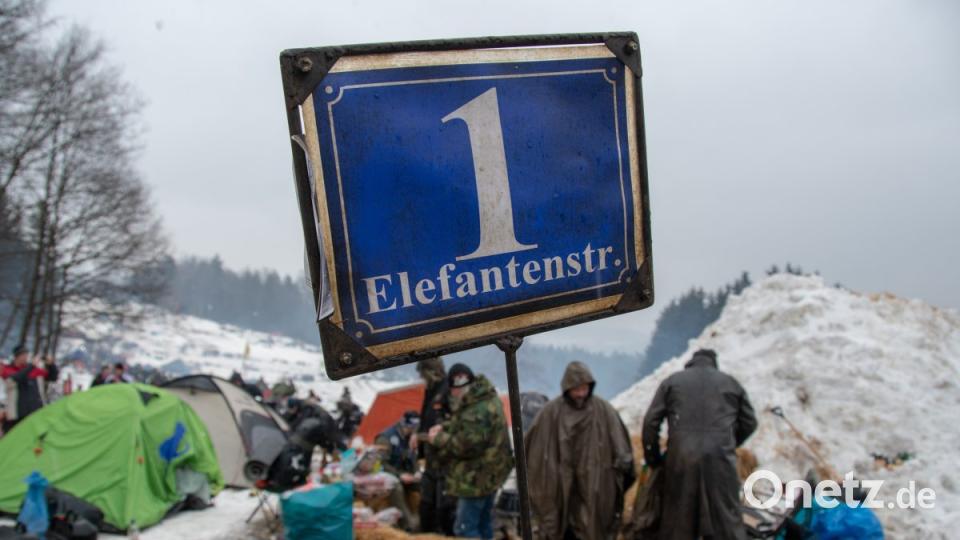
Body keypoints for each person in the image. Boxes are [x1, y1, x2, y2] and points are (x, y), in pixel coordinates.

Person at [642, 349, 757, 540]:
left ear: (691, 363)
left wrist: (654, 458)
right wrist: (728, 443)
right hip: (720, 461)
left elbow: (650, 422)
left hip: (681, 460)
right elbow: (749, 422)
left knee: (679, 522)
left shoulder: (673, 382)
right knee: (725, 520)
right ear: (714, 363)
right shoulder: (731, 384)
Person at [525, 361, 636, 540]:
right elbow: (532, 453)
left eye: (584, 388)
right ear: (567, 387)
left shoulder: (604, 411)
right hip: (560, 493)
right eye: (576, 389)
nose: (580, 394)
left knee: (592, 528)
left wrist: (619, 473)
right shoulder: (551, 413)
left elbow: (622, 451)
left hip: (594, 489)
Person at [427, 363, 513, 540]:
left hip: (476, 479)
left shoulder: (476, 409)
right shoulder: (483, 398)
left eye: (452, 390)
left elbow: (464, 446)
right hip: (491, 475)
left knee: (465, 529)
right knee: (483, 523)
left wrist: (437, 438)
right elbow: (468, 427)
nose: (452, 394)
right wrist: (444, 426)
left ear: (458, 387)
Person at [411, 356, 456, 535]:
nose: (422, 379)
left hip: (444, 461)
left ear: (431, 372)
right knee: (426, 505)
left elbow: (450, 425)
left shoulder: (447, 390)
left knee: (442, 508)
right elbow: (426, 422)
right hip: (430, 461)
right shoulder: (431, 391)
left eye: (423, 374)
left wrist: (421, 436)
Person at [374, 411, 421, 531]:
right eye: (411, 427)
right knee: (396, 487)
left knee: (423, 484)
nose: (412, 430)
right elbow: (380, 463)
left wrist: (416, 471)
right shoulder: (385, 437)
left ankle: (425, 519)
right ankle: (408, 524)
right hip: (387, 473)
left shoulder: (410, 437)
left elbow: (413, 457)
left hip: (404, 472)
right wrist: (400, 475)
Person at [1, 344, 47, 431]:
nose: (26, 357)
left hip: (33, 414)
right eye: (23, 355)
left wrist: (50, 365)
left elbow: (51, 376)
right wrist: (31, 366)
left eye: (26, 355)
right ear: (17, 356)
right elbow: (14, 379)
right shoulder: (8, 369)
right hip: (15, 415)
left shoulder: (32, 370)